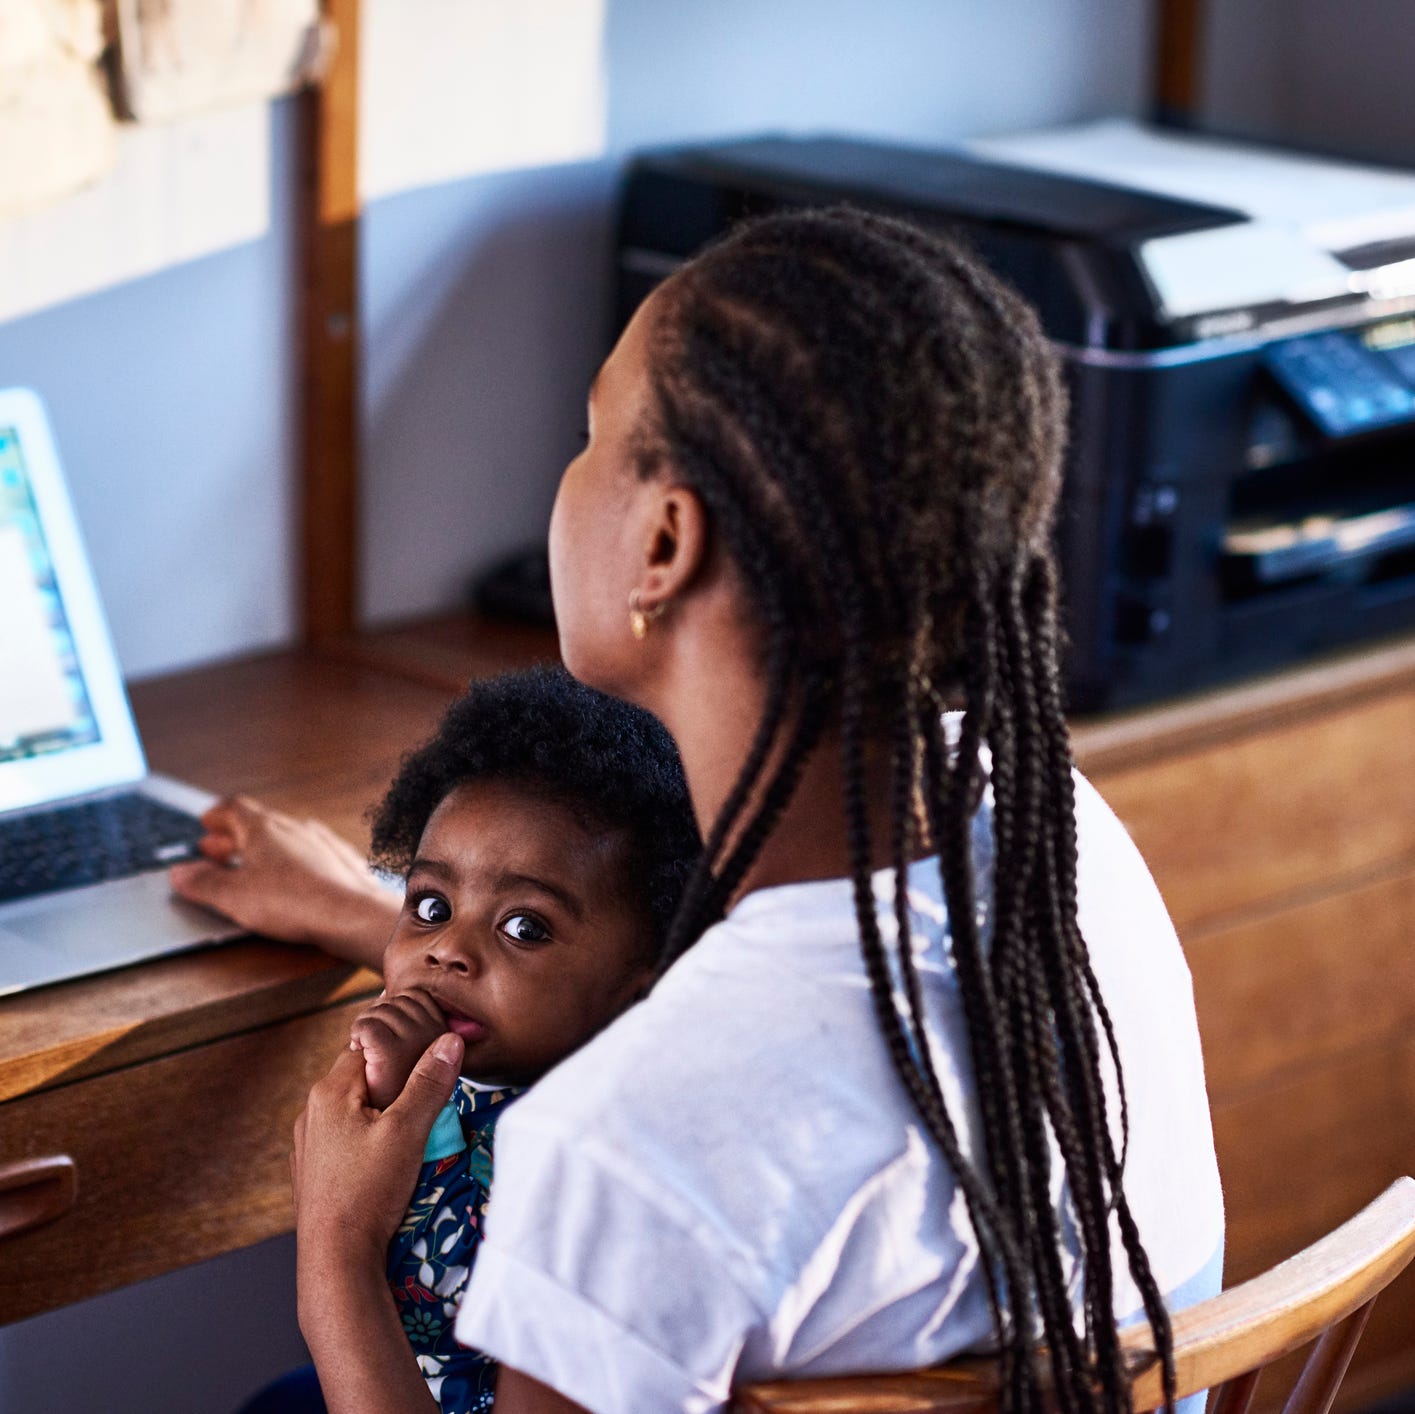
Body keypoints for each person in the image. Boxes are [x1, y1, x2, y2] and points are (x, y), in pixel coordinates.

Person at [178, 207, 1223, 1414]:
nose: (561, 483)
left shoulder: (625, 1148)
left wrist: (334, 1261)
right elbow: (736, 1003)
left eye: (587, 437)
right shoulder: (1059, 832)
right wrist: (386, 923)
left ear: (665, 541)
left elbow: (712, 1081)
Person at [235, 666, 699, 1414]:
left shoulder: (599, 1168)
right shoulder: (454, 1065)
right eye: (429, 903)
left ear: (640, 982)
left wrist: (334, 1235)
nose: (446, 949)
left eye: (525, 926)